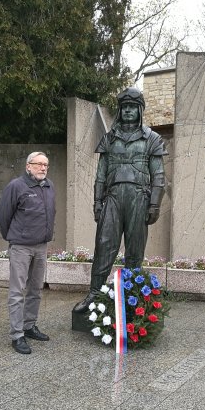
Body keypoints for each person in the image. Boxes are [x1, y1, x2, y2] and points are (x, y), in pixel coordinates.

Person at [73, 87, 167, 313]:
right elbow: (100, 175)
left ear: (140, 111)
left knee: (135, 250)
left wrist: (154, 204)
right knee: (104, 245)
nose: (127, 112)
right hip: (112, 199)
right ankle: (94, 292)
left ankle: (131, 296)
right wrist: (97, 202)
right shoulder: (109, 139)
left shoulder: (151, 138)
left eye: (132, 108)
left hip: (139, 198)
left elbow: (159, 176)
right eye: (124, 107)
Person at [0, 152, 55, 354]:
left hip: (41, 246)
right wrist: (14, 237)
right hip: (21, 246)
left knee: (36, 289)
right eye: (39, 164)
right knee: (16, 292)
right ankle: (17, 335)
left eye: (46, 165)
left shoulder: (49, 186)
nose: (43, 168)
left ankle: (29, 326)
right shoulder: (16, 186)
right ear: (28, 166)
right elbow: (4, 215)